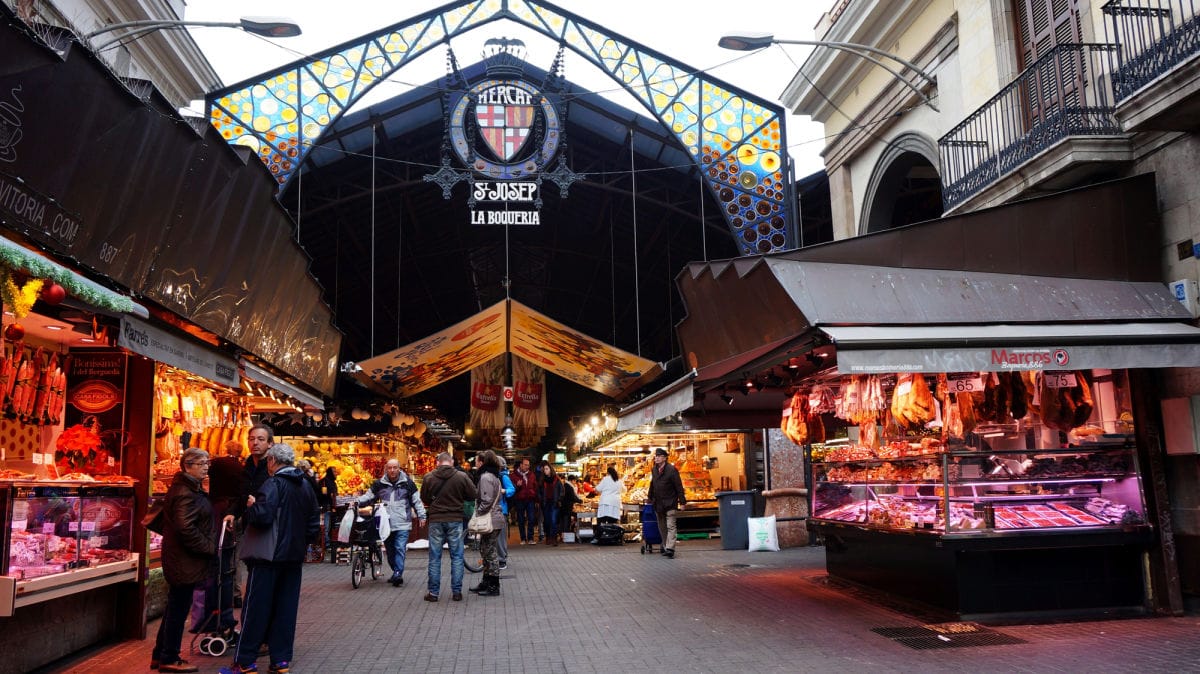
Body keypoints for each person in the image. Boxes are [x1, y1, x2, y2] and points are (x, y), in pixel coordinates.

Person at [220, 443, 319, 674]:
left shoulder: (273, 484)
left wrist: (252, 506)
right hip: (293, 558)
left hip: (268, 557)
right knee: (286, 609)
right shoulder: (305, 485)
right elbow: (314, 521)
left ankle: (245, 662)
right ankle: (280, 661)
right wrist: (301, 545)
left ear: (272, 461)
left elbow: (263, 517)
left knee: (256, 608)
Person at [151, 448, 216, 673]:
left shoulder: (189, 488)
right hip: (183, 558)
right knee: (178, 608)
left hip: (183, 557)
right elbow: (185, 527)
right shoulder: (184, 492)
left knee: (174, 606)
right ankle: (169, 657)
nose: (206, 467)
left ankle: (161, 654)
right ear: (188, 465)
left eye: (207, 462)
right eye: (201, 463)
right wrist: (209, 547)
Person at [196, 440, 244, 632]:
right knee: (234, 559)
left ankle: (219, 612)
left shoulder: (218, 465)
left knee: (223, 563)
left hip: (221, 516)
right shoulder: (239, 467)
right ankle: (234, 596)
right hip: (233, 515)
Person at [356, 459, 426, 586]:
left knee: (400, 548)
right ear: (386, 469)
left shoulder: (408, 484)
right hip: (386, 523)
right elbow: (368, 497)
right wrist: (356, 502)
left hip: (402, 523)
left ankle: (398, 573)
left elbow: (416, 501)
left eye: (395, 468)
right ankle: (396, 571)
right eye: (390, 468)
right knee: (390, 551)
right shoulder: (379, 484)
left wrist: (422, 516)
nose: (392, 470)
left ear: (399, 469)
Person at [419, 451, 477, 602]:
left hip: (436, 520)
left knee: (434, 557)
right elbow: (473, 494)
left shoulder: (428, 477)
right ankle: (456, 592)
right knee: (457, 556)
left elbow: (424, 498)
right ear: (451, 462)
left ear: (438, 462)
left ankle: (433, 593)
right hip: (455, 520)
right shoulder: (461, 476)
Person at [468, 450, 506, 597]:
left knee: (490, 552)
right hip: (495, 518)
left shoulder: (485, 477)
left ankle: (493, 585)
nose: (475, 464)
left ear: (482, 462)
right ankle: (486, 581)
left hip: (491, 520)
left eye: (477, 461)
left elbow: (486, 500)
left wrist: (478, 514)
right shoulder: (494, 476)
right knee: (486, 550)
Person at [648, 447, 686, 559]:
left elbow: (679, 486)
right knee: (662, 526)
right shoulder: (654, 469)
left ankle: (670, 548)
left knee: (671, 526)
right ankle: (665, 546)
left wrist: (682, 501)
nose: (657, 458)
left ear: (665, 458)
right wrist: (650, 496)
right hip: (658, 503)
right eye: (656, 456)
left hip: (670, 502)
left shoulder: (672, 470)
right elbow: (652, 484)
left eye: (659, 456)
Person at [511, 457, 537, 545]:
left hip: (530, 499)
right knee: (521, 519)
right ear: (521, 465)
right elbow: (511, 489)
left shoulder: (532, 475)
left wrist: (535, 497)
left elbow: (535, 487)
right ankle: (523, 538)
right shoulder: (513, 475)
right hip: (519, 500)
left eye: (528, 465)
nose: (527, 467)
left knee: (531, 518)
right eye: (525, 465)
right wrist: (517, 486)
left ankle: (530, 538)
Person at [496, 457, 515, 569]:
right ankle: (499, 558)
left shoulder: (503, 476)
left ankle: (502, 560)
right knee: (497, 536)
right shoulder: (498, 476)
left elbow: (511, 489)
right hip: (497, 509)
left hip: (502, 510)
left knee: (500, 537)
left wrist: (504, 491)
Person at [538, 463, 564, 546]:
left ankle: (554, 538)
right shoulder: (542, 480)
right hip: (546, 503)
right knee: (547, 521)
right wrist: (541, 500)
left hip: (554, 503)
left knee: (553, 520)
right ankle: (548, 537)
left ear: (550, 469)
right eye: (544, 469)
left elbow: (562, 490)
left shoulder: (557, 480)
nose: (545, 471)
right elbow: (539, 492)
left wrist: (559, 499)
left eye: (547, 469)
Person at [318, 466, 338, 556]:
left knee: (328, 527)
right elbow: (322, 495)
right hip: (325, 507)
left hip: (330, 507)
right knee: (325, 527)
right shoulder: (324, 482)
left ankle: (327, 544)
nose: (336, 473)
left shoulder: (332, 482)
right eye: (334, 471)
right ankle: (326, 544)